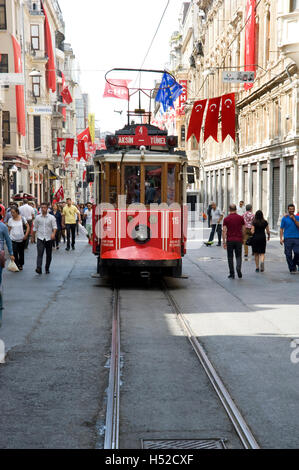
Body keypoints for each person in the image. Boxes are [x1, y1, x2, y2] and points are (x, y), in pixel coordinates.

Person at [33, 202, 57, 274]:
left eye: (44, 208)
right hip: (40, 238)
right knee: (40, 253)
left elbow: (55, 227)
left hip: (49, 238)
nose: (43, 209)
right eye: (42, 208)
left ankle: (47, 268)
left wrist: (53, 233)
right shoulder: (37, 217)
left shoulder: (51, 217)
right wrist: (33, 237)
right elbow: (35, 228)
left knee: (48, 254)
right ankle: (39, 267)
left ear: (47, 208)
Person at [223, 204, 246, 279]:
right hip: (238, 240)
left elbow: (224, 231)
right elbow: (243, 229)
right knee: (238, 256)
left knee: (230, 257)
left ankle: (232, 273)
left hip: (230, 240)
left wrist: (224, 242)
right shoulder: (240, 218)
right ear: (236, 209)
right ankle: (238, 268)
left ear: (229, 210)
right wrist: (243, 238)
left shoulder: (226, 219)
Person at [0, 215, 15, 321]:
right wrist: (11, 253)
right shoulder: (3, 226)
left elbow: (8, 240)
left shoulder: (3, 227)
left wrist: (11, 253)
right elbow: (8, 241)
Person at [7, 207, 30, 271]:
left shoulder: (22, 218)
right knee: (14, 252)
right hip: (13, 239)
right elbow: (8, 229)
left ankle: (21, 264)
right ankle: (16, 265)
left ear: (17, 212)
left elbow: (28, 226)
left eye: (13, 212)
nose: (12, 214)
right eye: (11, 213)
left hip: (21, 239)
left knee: (21, 253)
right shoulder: (10, 220)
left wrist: (26, 235)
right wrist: (7, 237)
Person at [280, 204, 299, 274]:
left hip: (297, 238)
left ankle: (293, 264)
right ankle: (292, 268)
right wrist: (281, 238)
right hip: (287, 238)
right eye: (290, 209)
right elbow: (281, 229)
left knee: (297, 253)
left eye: (293, 209)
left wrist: (294, 219)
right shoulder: (284, 218)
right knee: (288, 254)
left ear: (294, 209)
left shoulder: (297, 217)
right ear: (288, 210)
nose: (291, 210)